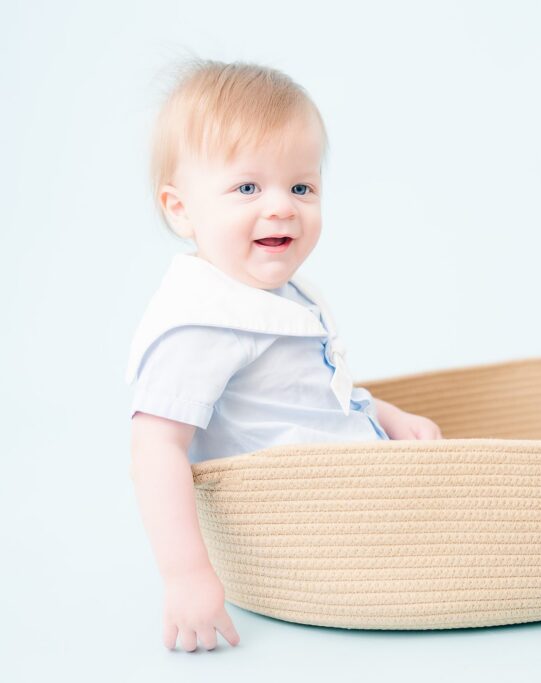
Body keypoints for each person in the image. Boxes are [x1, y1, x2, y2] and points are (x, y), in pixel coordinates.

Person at [127, 58, 442, 653]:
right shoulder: (202, 321)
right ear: (180, 208)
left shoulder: (276, 294)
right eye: (247, 188)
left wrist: (383, 414)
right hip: (313, 530)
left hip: (360, 493)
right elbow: (155, 447)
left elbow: (305, 396)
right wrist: (186, 575)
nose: (281, 207)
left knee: (471, 476)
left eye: (302, 187)